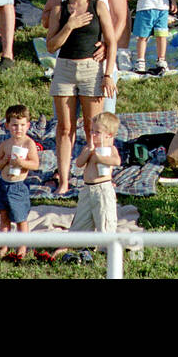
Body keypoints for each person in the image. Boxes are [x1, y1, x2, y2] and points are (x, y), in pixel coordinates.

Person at [45, 0, 117, 195]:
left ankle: (96, 175)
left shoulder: (98, 6)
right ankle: (64, 179)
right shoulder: (60, 9)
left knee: (92, 128)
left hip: (91, 69)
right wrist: (70, 25)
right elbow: (51, 46)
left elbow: (111, 40)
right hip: (65, 68)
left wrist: (108, 74)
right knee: (65, 128)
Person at [67, 111, 122, 264]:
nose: (92, 135)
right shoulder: (88, 149)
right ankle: (81, 242)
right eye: (91, 131)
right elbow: (78, 163)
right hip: (87, 189)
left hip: (102, 189)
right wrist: (90, 152)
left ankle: (107, 247)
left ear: (109, 135)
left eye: (97, 132)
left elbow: (116, 161)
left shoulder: (110, 149)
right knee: (83, 217)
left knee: (104, 217)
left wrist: (100, 157)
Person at [0, 104, 40, 261]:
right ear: (7, 126)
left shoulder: (29, 143)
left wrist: (22, 163)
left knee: (20, 219)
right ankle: (4, 245)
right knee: (4, 217)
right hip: (3, 184)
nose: (18, 129)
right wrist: (5, 160)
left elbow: (35, 164)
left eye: (22, 125)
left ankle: (22, 246)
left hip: (18, 186)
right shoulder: (5, 144)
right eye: (14, 125)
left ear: (28, 125)